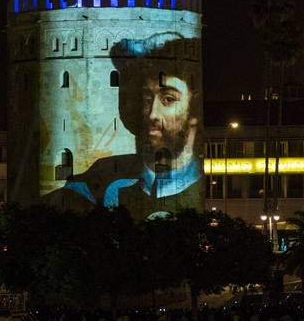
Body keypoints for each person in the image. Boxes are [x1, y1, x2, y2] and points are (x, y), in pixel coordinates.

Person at [66, 32, 202, 219]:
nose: (153, 114)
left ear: (193, 108)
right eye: (146, 99)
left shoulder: (200, 188)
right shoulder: (97, 181)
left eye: (168, 99)